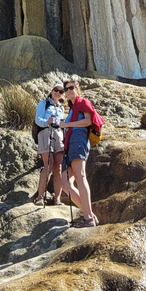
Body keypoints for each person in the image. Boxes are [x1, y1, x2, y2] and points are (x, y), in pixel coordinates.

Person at [58, 79, 98, 227]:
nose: (68, 91)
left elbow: (88, 121)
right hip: (70, 144)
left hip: (78, 140)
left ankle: (88, 218)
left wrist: (67, 124)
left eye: (70, 88)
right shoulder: (72, 108)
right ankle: (90, 215)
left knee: (80, 176)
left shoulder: (83, 102)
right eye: (65, 89)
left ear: (76, 89)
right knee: (64, 182)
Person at [34, 83, 66, 206]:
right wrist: (47, 122)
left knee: (58, 167)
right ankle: (40, 197)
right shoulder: (43, 104)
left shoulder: (61, 108)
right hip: (45, 133)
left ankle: (57, 198)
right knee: (48, 165)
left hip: (58, 135)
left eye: (61, 91)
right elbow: (38, 120)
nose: (58, 93)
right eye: (56, 90)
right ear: (52, 91)